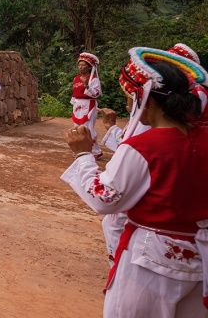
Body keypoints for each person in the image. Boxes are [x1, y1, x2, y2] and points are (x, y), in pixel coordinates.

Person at [61, 48, 208, 317]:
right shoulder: (203, 139)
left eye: (132, 97)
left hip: (150, 259)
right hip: (199, 256)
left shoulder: (144, 146)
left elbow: (104, 198)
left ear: (146, 99)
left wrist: (83, 155)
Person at [71, 52, 102, 158]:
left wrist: (87, 86)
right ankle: (80, 150)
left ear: (89, 67)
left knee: (88, 128)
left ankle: (95, 151)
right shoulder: (76, 78)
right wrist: (74, 104)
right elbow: (74, 93)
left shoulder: (94, 79)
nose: (80, 67)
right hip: (77, 105)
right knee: (77, 128)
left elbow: (96, 94)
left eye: (83, 65)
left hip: (88, 105)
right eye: (79, 65)